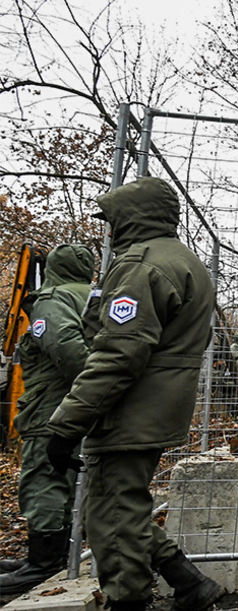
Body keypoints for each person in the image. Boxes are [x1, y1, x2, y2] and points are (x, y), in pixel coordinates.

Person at [43, 177, 223, 611]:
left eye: (113, 220)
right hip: (154, 408)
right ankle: (189, 582)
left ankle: (130, 602)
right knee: (122, 507)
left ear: (133, 217)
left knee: (111, 519)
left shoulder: (143, 264)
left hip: (129, 410)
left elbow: (118, 354)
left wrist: (67, 425)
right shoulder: (182, 260)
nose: (109, 230)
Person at [0, 245, 93, 593]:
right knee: (66, 483)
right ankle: (47, 557)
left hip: (50, 409)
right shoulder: (93, 297)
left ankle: (42, 564)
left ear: (52, 268)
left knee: (44, 482)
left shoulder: (52, 300)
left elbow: (69, 351)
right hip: (80, 409)